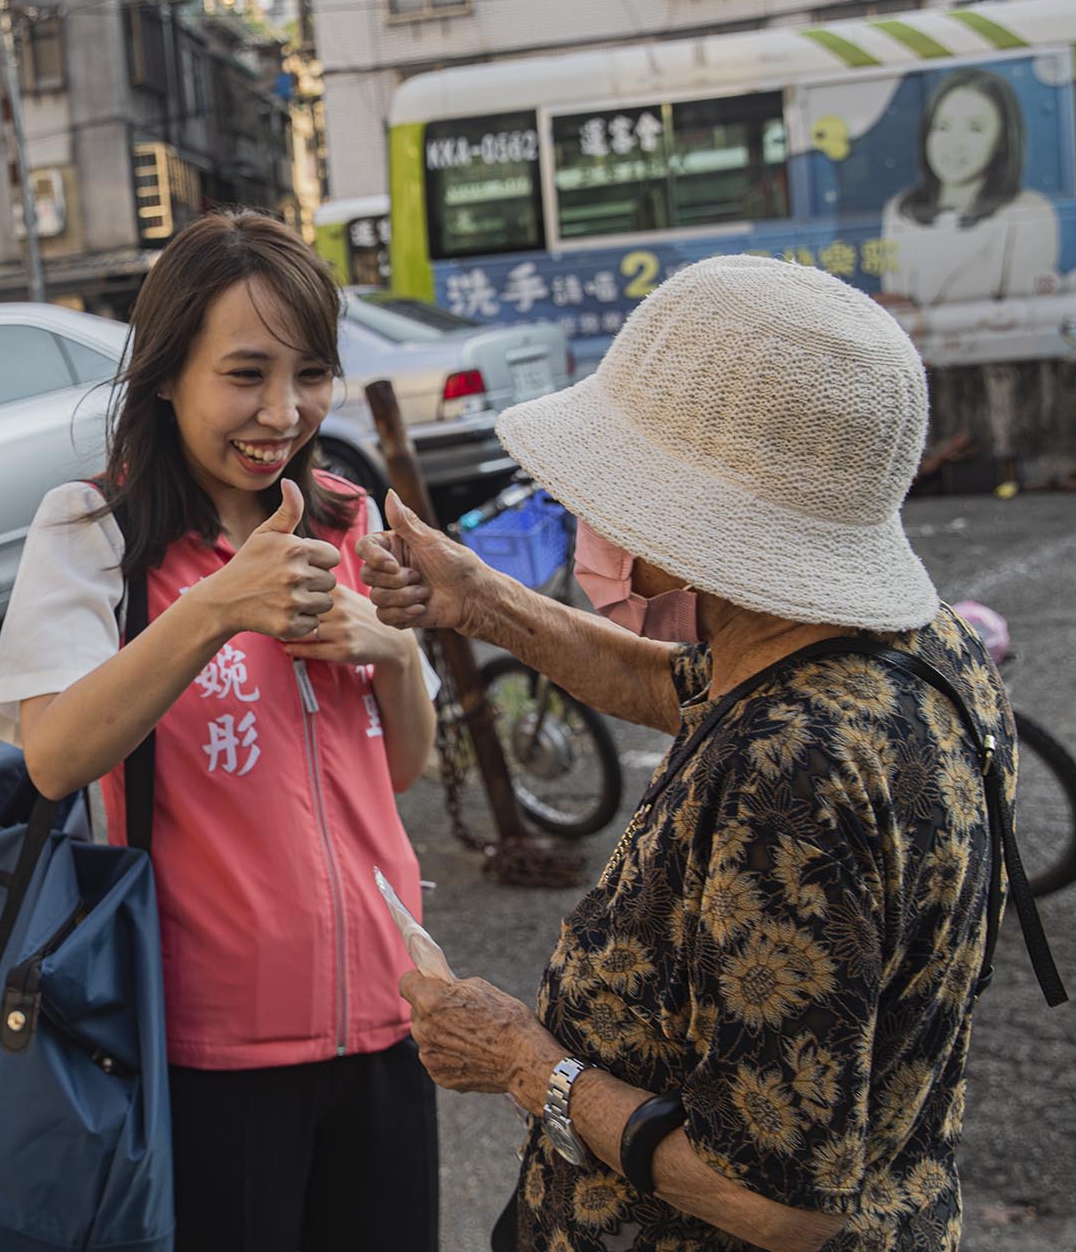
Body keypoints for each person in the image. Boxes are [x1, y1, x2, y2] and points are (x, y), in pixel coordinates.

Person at [360, 255, 1020, 1250]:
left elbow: (781, 1204)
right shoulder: (924, 653)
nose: (593, 515)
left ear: (693, 522)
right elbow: (682, 685)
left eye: (615, 489)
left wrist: (525, 1063)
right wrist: (482, 597)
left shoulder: (789, 772)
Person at [0, 210, 441, 1252]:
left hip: (387, 1017)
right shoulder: (93, 530)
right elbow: (53, 756)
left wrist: (398, 654)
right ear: (166, 374)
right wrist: (220, 605)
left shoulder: (341, 517)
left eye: (310, 373)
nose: (284, 411)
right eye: (245, 374)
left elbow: (399, 771)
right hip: (207, 1048)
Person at [879, 68, 1059, 312]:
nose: (955, 144)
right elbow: (897, 307)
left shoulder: (1029, 211)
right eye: (943, 126)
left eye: (974, 128)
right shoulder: (902, 210)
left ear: (1001, 140)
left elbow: (1024, 313)